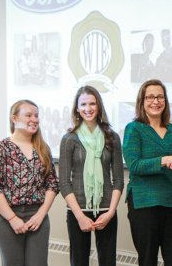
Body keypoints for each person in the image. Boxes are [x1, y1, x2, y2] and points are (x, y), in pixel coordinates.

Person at [122, 79, 172, 266]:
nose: (156, 101)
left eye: (160, 97)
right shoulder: (134, 129)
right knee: (147, 261)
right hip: (144, 206)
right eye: (150, 97)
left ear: (165, 101)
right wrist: (165, 160)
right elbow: (134, 165)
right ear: (142, 101)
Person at [0, 99, 59, 266]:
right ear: (14, 119)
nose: (34, 119)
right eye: (28, 115)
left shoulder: (43, 148)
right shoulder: (0, 148)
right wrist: (12, 218)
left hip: (37, 217)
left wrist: (40, 214)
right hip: (6, 218)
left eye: (36, 115)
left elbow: (52, 184)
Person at [59, 86, 124, 266]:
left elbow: (118, 179)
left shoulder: (112, 137)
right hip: (77, 210)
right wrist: (80, 216)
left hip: (106, 211)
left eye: (92, 103)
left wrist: (110, 212)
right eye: (84, 104)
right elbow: (64, 183)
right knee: (79, 262)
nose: (88, 108)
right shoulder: (69, 139)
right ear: (77, 109)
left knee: (108, 262)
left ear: (99, 106)